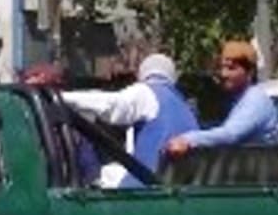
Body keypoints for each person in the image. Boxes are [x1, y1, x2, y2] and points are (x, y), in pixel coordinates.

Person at [63, 54, 199, 188]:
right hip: (173, 192)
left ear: (141, 74)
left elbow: (111, 106)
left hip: (141, 194)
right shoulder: (186, 108)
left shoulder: (147, 92)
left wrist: (63, 97)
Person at [165, 41, 278, 159]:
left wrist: (187, 140)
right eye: (221, 68)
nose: (223, 74)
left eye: (231, 68)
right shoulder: (229, 100)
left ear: (249, 72)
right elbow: (211, 128)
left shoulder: (255, 100)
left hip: (257, 174)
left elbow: (230, 134)